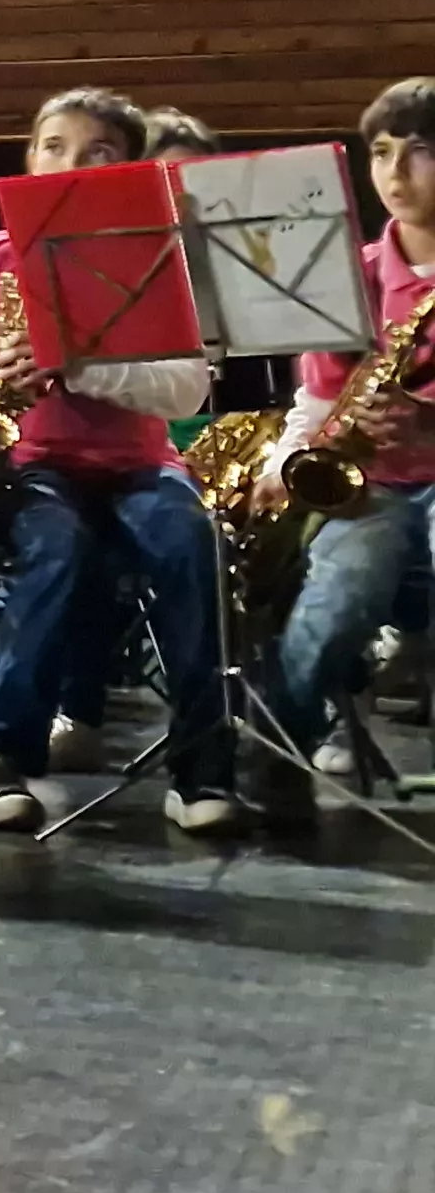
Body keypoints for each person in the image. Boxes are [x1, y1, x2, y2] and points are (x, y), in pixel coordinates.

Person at [0, 88, 238, 834]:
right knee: (54, 548)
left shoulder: (155, 262)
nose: (70, 163)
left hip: (137, 464)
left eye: (99, 153)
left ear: (128, 170)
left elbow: (186, 385)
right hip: (32, 464)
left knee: (190, 539)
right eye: (53, 145)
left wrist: (77, 366)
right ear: (29, 156)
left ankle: (202, 768)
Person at [254, 79, 435, 805]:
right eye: (382, 154)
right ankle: (281, 752)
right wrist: (286, 459)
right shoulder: (348, 276)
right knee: (333, 605)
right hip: (377, 480)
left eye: (421, 152)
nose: (395, 174)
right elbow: (321, 396)